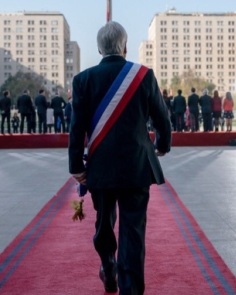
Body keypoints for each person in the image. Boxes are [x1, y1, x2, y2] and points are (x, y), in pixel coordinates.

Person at [68, 21, 171, 294]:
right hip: (137, 167)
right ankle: (130, 289)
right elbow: (162, 117)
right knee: (133, 231)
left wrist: (76, 166)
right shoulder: (144, 75)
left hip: (100, 169)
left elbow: (77, 128)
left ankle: (108, 266)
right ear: (125, 47)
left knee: (103, 223)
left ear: (99, 48)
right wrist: (163, 144)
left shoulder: (83, 80)